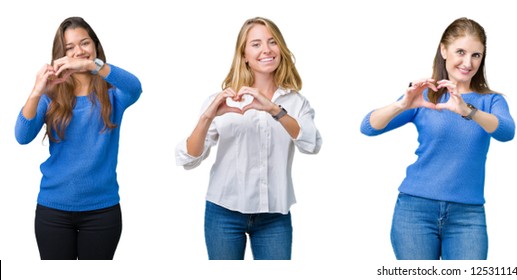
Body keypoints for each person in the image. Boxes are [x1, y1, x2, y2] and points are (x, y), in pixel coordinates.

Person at [360, 17, 515, 260]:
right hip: (415, 212)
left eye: (476, 55)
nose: (467, 62)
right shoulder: (425, 96)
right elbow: (368, 127)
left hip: (467, 216)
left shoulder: (491, 101)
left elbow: (506, 132)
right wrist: (402, 104)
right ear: (444, 50)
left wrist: (468, 110)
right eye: (460, 52)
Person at [175, 17, 322, 260]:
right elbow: (188, 158)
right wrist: (207, 116)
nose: (266, 49)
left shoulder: (295, 103)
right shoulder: (223, 100)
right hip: (223, 213)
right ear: (243, 54)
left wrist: (275, 110)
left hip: (275, 216)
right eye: (256, 44)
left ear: (281, 49)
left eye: (272, 42)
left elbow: (312, 144)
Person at [14, 17, 143, 260]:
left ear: (95, 45)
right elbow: (22, 136)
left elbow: (135, 87)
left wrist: (93, 66)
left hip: (102, 212)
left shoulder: (113, 94)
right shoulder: (52, 95)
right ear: (61, 54)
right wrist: (37, 90)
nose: (78, 51)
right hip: (53, 210)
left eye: (84, 43)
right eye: (69, 47)